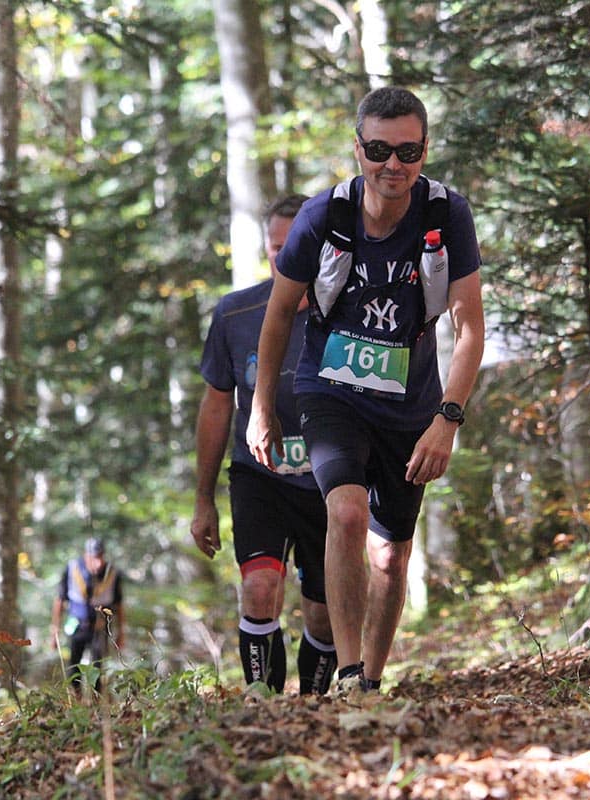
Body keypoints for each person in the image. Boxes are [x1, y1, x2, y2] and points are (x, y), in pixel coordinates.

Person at [246, 86, 485, 696]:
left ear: (424, 150)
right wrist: (262, 405)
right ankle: (348, 672)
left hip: (411, 402)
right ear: (358, 149)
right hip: (330, 390)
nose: (392, 165)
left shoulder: (446, 215)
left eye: (407, 151)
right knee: (347, 513)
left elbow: (469, 327)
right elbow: (278, 314)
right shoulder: (323, 216)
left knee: (391, 555)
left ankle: (371, 682)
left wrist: (447, 419)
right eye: (379, 150)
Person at [192, 194, 338, 694]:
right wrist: (203, 498)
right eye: (278, 248)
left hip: (328, 482)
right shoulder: (236, 314)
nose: (287, 257)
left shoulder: (346, 309)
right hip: (260, 477)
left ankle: (315, 706)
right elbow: (216, 407)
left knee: (323, 614)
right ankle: (264, 703)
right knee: (259, 588)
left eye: (298, 246)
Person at [51, 537, 125, 693]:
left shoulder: (112, 573)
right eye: (93, 557)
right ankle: (76, 699)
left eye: (100, 557)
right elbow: (59, 600)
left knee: (98, 667)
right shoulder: (72, 569)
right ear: (85, 555)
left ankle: (97, 702)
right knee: (74, 667)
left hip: (100, 628)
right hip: (77, 627)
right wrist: (55, 629)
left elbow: (119, 604)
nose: (97, 562)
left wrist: (121, 632)